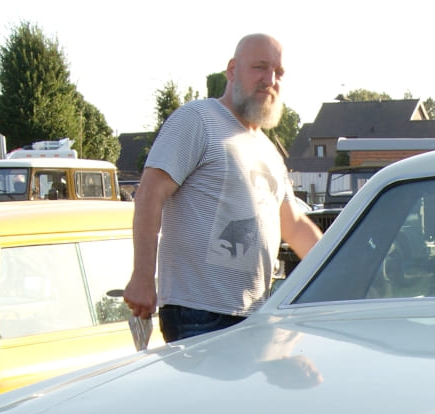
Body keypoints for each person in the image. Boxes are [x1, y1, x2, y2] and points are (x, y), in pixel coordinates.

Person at [124, 33, 322, 343]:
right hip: (198, 313)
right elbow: (150, 194)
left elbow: (295, 227)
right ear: (232, 70)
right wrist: (142, 277)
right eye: (259, 67)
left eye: (278, 72)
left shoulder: (268, 150)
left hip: (254, 315)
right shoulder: (198, 119)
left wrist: (346, 271)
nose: (269, 79)